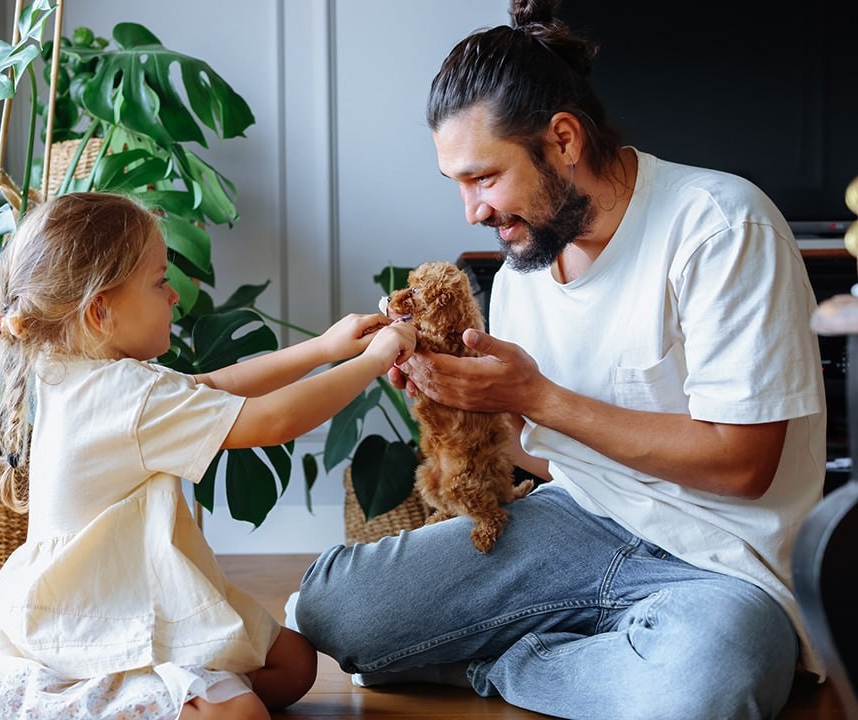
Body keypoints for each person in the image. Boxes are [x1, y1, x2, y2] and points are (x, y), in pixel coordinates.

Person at [291, 1, 827, 718]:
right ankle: (598, 654)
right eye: (456, 183)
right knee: (332, 608)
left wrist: (538, 395)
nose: (470, 210)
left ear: (564, 139)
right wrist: (460, 401)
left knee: (705, 684)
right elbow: (551, 460)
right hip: (575, 525)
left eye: (483, 177)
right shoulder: (523, 274)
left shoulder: (721, 227)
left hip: (722, 564)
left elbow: (743, 464)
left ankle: (501, 662)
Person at [0, 191, 416, 720]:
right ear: (100, 311)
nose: (174, 295)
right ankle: (49, 705)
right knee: (242, 713)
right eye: (158, 282)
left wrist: (325, 349)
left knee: (293, 666)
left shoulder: (79, 368)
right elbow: (273, 422)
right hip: (96, 605)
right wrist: (374, 361)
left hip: (120, 582)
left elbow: (212, 385)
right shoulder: (124, 395)